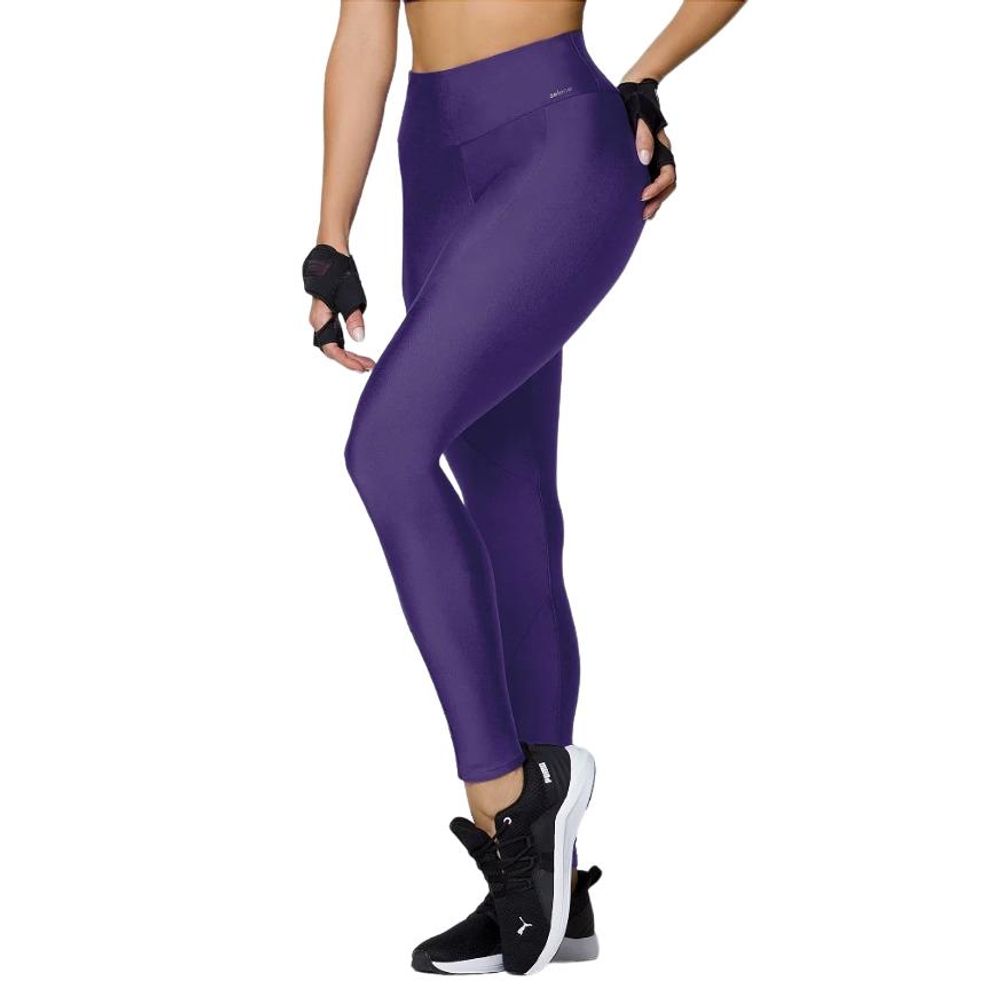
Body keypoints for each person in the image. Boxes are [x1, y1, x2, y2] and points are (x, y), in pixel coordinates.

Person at [302, 0, 746, 977]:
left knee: (387, 451)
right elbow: (365, 32)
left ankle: (508, 808)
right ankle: (556, 889)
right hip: (436, 167)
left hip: (556, 147)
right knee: (509, 510)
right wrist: (332, 235)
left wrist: (649, 75)